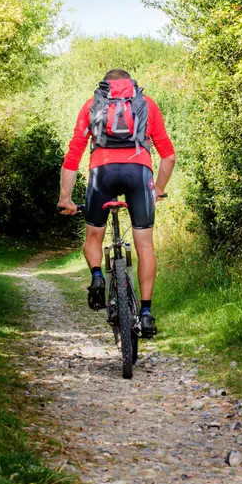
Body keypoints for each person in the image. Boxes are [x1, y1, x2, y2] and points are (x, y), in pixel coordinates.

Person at [57, 68, 175, 337]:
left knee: (94, 236)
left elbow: (73, 156)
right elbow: (168, 156)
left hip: (102, 174)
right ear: (130, 84)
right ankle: (146, 313)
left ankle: (97, 276)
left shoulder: (91, 105)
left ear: (105, 86)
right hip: (139, 174)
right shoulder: (147, 105)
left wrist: (66, 199)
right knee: (144, 244)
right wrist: (157, 189)